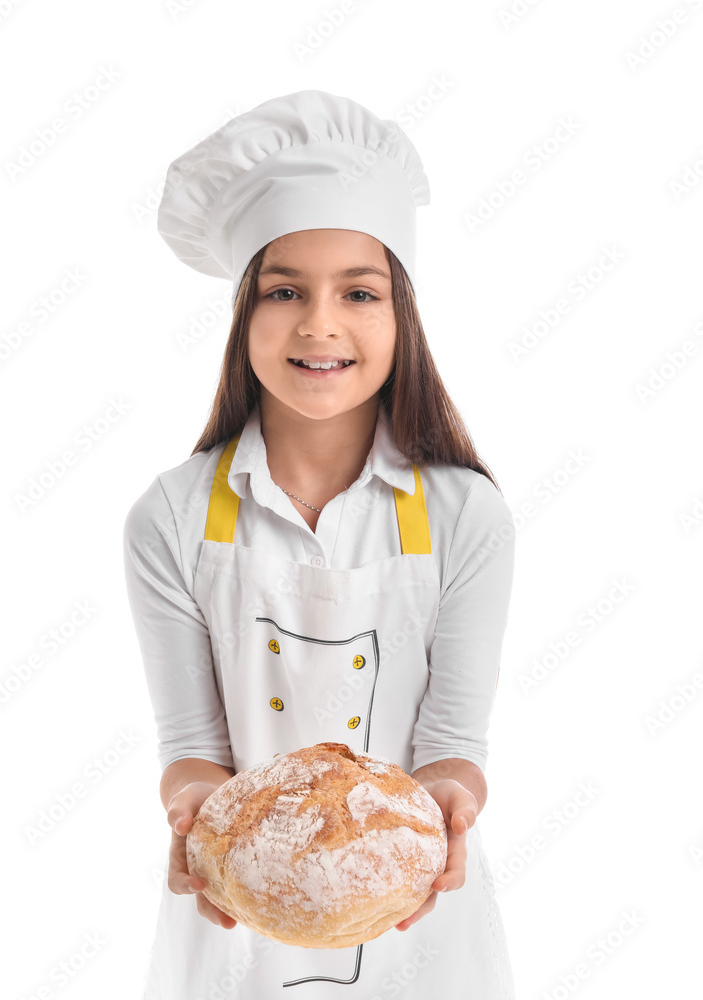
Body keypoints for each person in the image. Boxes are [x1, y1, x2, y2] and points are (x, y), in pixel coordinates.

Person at [123, 90, 517, 999]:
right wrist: (189, 807)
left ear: (400, 315)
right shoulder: (174, 517)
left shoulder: (465, 515)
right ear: (243, 317)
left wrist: (453, 798)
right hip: (231, 931)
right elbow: (191, 746)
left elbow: (452, 744)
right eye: (285, 290)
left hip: (423, 925)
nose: (319, 324)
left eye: (359, 292)